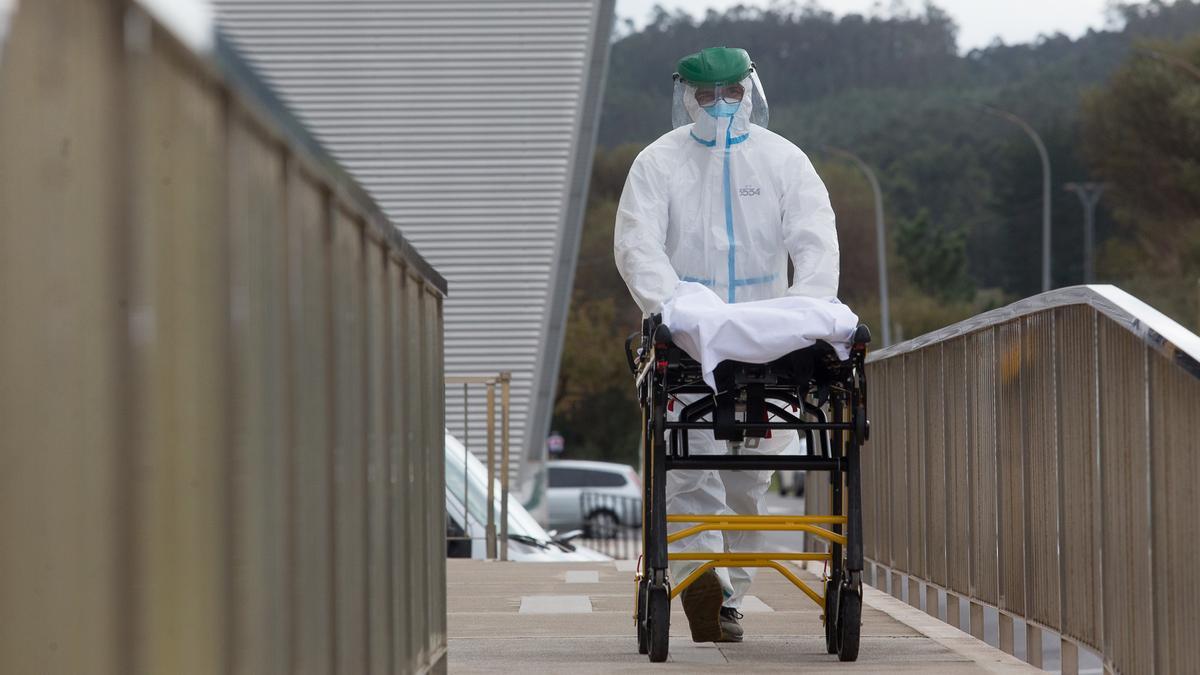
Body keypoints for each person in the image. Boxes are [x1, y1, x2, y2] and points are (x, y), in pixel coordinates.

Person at [613, 46, 839, 643]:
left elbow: (815, 239)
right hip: (691, 345)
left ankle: (731, 585)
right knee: (689, 471)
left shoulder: (783, 161)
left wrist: (806, 312)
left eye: (730, 94)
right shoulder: (659, 163)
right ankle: (708, 586)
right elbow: (639, 245)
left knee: (748, 477)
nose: (719, 106)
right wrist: (678, 312)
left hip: (770, 343)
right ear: (686, 96)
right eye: (706, 95)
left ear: (749, 91)